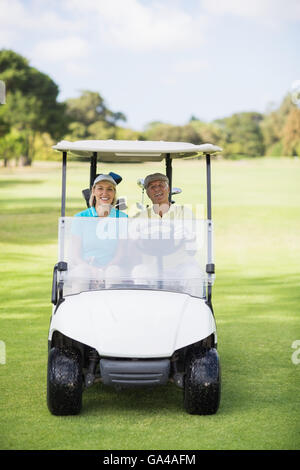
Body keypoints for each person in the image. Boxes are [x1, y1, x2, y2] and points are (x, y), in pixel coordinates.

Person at [132, 173, 205, 297]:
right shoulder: (141, 216)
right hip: (153, 267)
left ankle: (193, 313)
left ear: (169, 189)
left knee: (193, 274)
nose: (157, 189)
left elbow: (193, 242)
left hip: (180, 267)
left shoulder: (183, 212)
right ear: (148, 192)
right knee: (139, 272)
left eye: (161, 185)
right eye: (152, 187)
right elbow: (134, 242)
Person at [68, 174, 128, 292]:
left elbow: (120, 254)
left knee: (113, 273)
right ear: (93, 191)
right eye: (100, 188)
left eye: (109, 189)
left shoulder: (121, 218)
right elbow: (75, 256)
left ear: (114, 193)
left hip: (112, 266)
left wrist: (104, 269)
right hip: (85, 266)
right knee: (81, 273)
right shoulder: (81, 217)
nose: (105, 193)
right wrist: (91, 269)